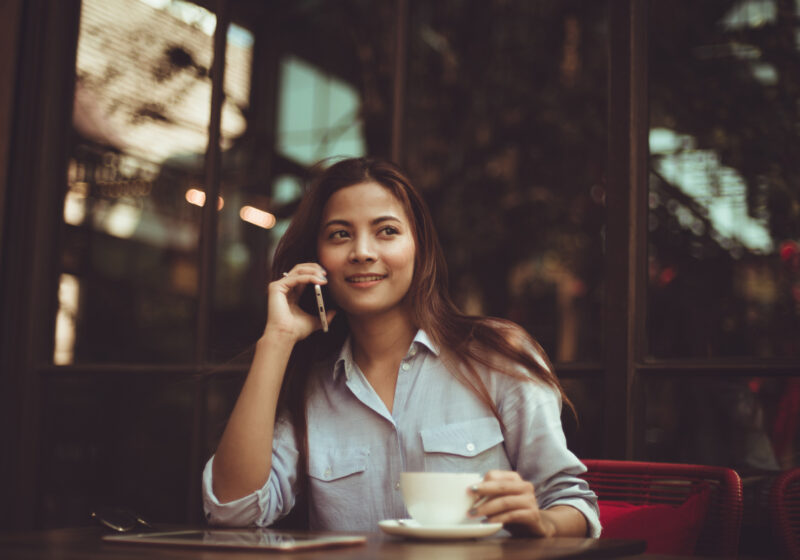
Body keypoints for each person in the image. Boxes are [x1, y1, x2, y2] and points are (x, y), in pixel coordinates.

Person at [202, 157, 600, 537]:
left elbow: (572, 503)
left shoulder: (495, 356)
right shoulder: (310, 388)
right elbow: (232, 511)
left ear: (419, 247)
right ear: (318, 259)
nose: (362, 252)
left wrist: (542, 523)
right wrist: (276, 340)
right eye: (340, 234)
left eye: (386, 231)